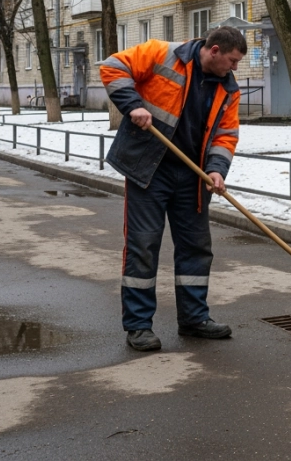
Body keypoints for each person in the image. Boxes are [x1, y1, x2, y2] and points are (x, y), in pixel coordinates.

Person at [99, 26, 246, 351]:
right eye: (233, 61)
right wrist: (132, 104)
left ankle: (194, 319)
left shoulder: (229, 89)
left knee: (196, 247)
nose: (235, 68)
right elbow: (112, 66)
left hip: (193, 178)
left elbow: (226, 135)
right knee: (144, 245)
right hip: (149, 169)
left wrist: (216, 170)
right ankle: (138, 327)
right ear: (215, 50)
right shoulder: (163, 54)